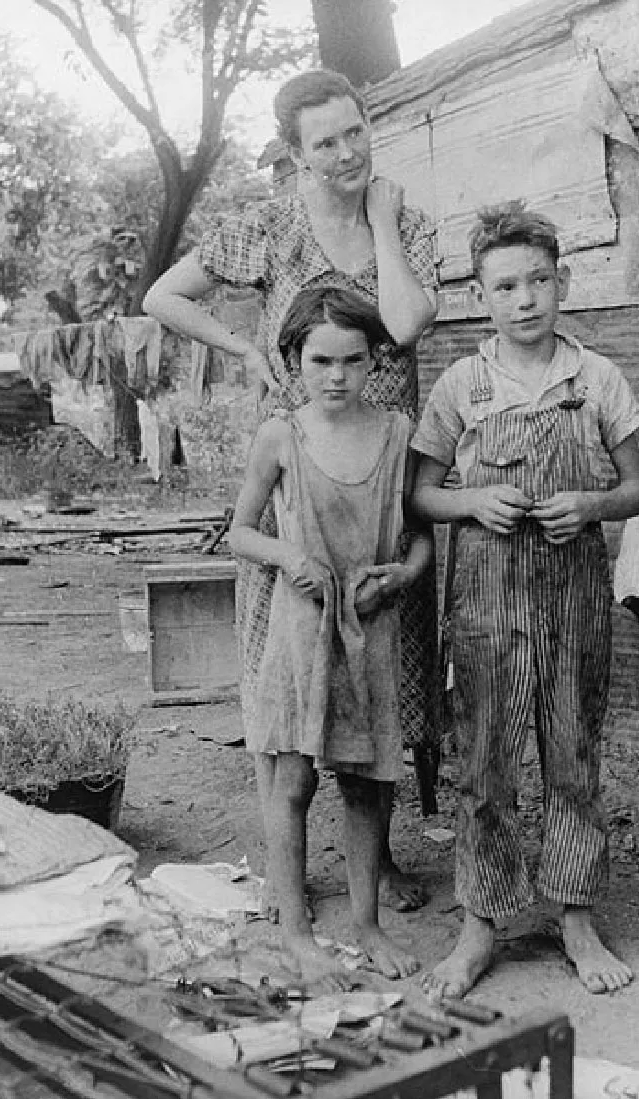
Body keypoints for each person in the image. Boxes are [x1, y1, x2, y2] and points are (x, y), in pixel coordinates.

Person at [143, 68, 439, 916]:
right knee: (291, 660)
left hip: (384, 475)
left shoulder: (406, 223)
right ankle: (289, 866)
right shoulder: (270, 228)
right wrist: (240, 346)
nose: (347, 153)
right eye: (325, 143)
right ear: (294, 154)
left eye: (355, 131)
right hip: (298, 473)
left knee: (385, 660)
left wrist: (376, 219)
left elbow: (409, 324)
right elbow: (162, 294)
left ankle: (373, 865)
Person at [410, 201, 639, 998]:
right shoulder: (461, 385)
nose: (525, 299)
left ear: (563, 282)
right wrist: (472, 503)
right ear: (481, 295)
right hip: (484, 601)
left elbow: (637, 489)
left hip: (575, 596)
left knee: (573, 754)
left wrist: (589, 504)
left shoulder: (598, 379)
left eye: (539, 280)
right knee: (484, 763)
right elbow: (421, 495)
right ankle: (480, 926)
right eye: (506, 285)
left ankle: (575, 915)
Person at [227, 284, 431, 986]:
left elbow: (423, 538)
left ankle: (367, 924)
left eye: (351, 359)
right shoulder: (282, 435)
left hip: (371, 626)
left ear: (375, 359)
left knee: (368, 784)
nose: (336, 375)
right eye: (320, 360)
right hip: (301, 628)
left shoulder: (398, 431)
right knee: (294, 776)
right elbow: (241, 531)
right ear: (292, 360)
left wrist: (400, 576)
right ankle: (295, 931)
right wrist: (289, 556)